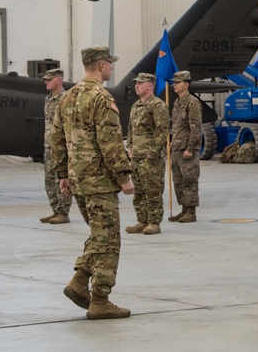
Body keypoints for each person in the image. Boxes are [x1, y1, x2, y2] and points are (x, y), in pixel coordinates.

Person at [50, 46, 135, 320]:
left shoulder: (68, 97)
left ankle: (79, 279)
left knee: (99, 236)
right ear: (101, 66)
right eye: (110, 63)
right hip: (100, 181)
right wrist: (124, 176)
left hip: (78, 180)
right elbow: (110, 142)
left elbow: (57, 138)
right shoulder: (101, 97)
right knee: (109, 241)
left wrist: (63, 174)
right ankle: (100, 300)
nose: (111, 68)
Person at [124, 73, 170, 235]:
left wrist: (153, 151)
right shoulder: (136, 106)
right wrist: (129, 147)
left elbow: (162, 130)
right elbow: (130, 129)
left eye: (140, 83)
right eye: (136, 83)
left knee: (153, 190)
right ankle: (142, 220)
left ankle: (154, 222)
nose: (136, 86)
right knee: (139, 191)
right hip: (136, 156)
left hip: (151, 158)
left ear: (150, 86)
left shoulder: (157, 106)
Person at [168, 70, 202, 223]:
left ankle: (191, 211)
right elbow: (176, 126)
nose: (174, 85)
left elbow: (195, 127)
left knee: (189, 179)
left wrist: (190, 148)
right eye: (174, 82)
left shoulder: (192, 102)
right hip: (177, 147)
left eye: (178, 82)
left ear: (186, 84)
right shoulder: (177, 102)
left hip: (186, 149)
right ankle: (184, 209)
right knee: (178, 180)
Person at [41, 68, 71, 224]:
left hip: (61, 146)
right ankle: (56, 210)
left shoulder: (66, 99)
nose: (46, 82)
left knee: (62, 178)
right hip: (49, 146)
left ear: (59, 80)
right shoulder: (48, 99)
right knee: (49, 180)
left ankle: (64, 212)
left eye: (49, 79)